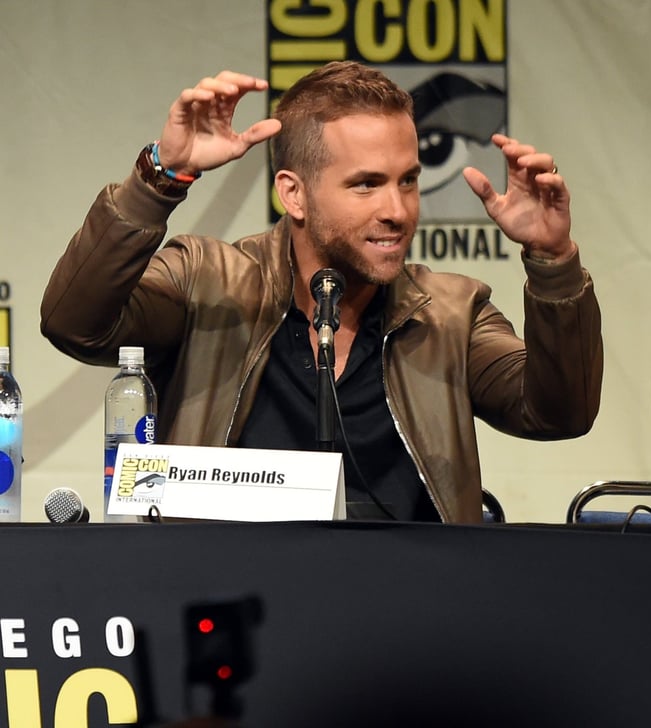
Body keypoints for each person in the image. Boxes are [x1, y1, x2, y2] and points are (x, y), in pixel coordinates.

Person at [40, 61, 603, 523]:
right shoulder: (207, 280)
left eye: (408, 180)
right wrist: (158, 179)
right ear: (295, 194)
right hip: (223, 613)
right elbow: (76, 324)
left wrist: (552, 261)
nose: (397, 210)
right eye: (366, 184)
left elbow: (559, 413)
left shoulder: (453, 312)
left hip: (410, 619)